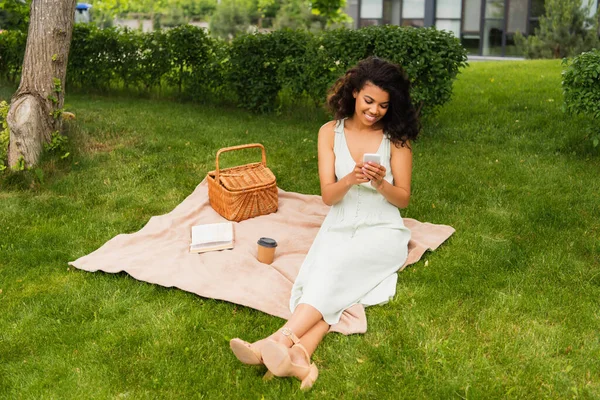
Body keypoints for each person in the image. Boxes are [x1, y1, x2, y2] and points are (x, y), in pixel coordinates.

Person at [229, 57, 420, 390]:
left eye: (384, 105)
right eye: (369, 101)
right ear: (354, 93)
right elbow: (328, 198)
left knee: (335, 270)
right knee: (327, 275)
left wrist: (378, 183)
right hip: (341, 221)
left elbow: (402, 199)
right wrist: (349, 178)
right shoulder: (329, 133)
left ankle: (275, 340)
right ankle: (300, 357)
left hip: (383, 229)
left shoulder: (397, 140)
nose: (375, 111)